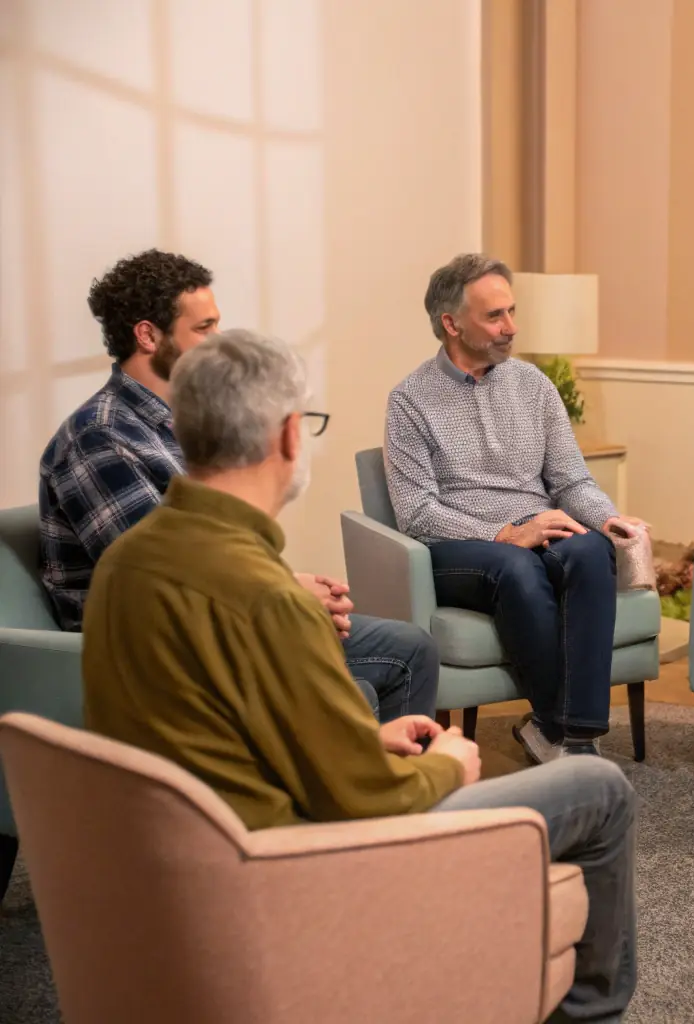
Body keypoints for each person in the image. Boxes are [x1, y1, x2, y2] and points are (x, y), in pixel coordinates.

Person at [82, 331, 637, 1022]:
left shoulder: (127, 561)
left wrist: (366, 740)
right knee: (597, 786)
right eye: (308, 424)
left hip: (190, 858)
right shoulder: (269, 600)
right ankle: (588, 1013)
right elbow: (365, 800)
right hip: (290, 867)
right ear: (288, 435)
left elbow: (210, 722)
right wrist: (449, 763)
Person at [38, 249, 437, 723]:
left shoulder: (191, 421)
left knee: (410, 648)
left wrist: (288, 588)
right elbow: (163, 574)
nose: (217, 341)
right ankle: (366, 785)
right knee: (352, 690)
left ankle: (385, 793)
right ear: (147, 335)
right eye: (203, 329)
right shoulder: (98, 437)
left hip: (227, 611)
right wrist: (284, 593)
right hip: (159, 648)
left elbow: (224, 541)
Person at [384, 254, 646, 764]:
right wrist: (504, 532)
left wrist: (606, 517)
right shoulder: (410, 401)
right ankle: (556, 725)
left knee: (592, 550)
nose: (512, 327)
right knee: (517, 565)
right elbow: (415, 510)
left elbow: (570, 478)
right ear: (451, 323)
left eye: (511, 311)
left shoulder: (535, 386)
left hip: (536, 529)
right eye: (495, 316)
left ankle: (574, 736)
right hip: (463, 548)